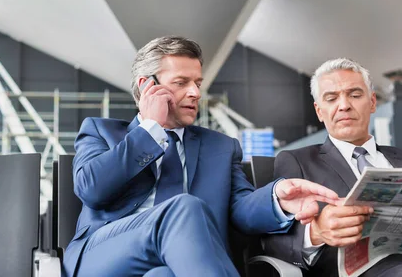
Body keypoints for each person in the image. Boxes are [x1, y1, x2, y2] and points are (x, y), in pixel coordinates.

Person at [63, 36, 341, 277]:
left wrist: (277, 199)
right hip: (104, 256)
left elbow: (241, 209)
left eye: (197, 82)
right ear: (147, 86)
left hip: (182, 262)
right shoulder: (101, 131)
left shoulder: (219, 147)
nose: (195, 93)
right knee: (185, 207)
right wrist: (150, 130)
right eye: (181, 82)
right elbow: (92, 190)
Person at [263, 58, 402, 277]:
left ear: (372, 102)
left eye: (355, 95)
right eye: (331, 98)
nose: (344, 105)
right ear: (319, 112)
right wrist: (316, 233)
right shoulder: (298, 162)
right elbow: (275, 243)